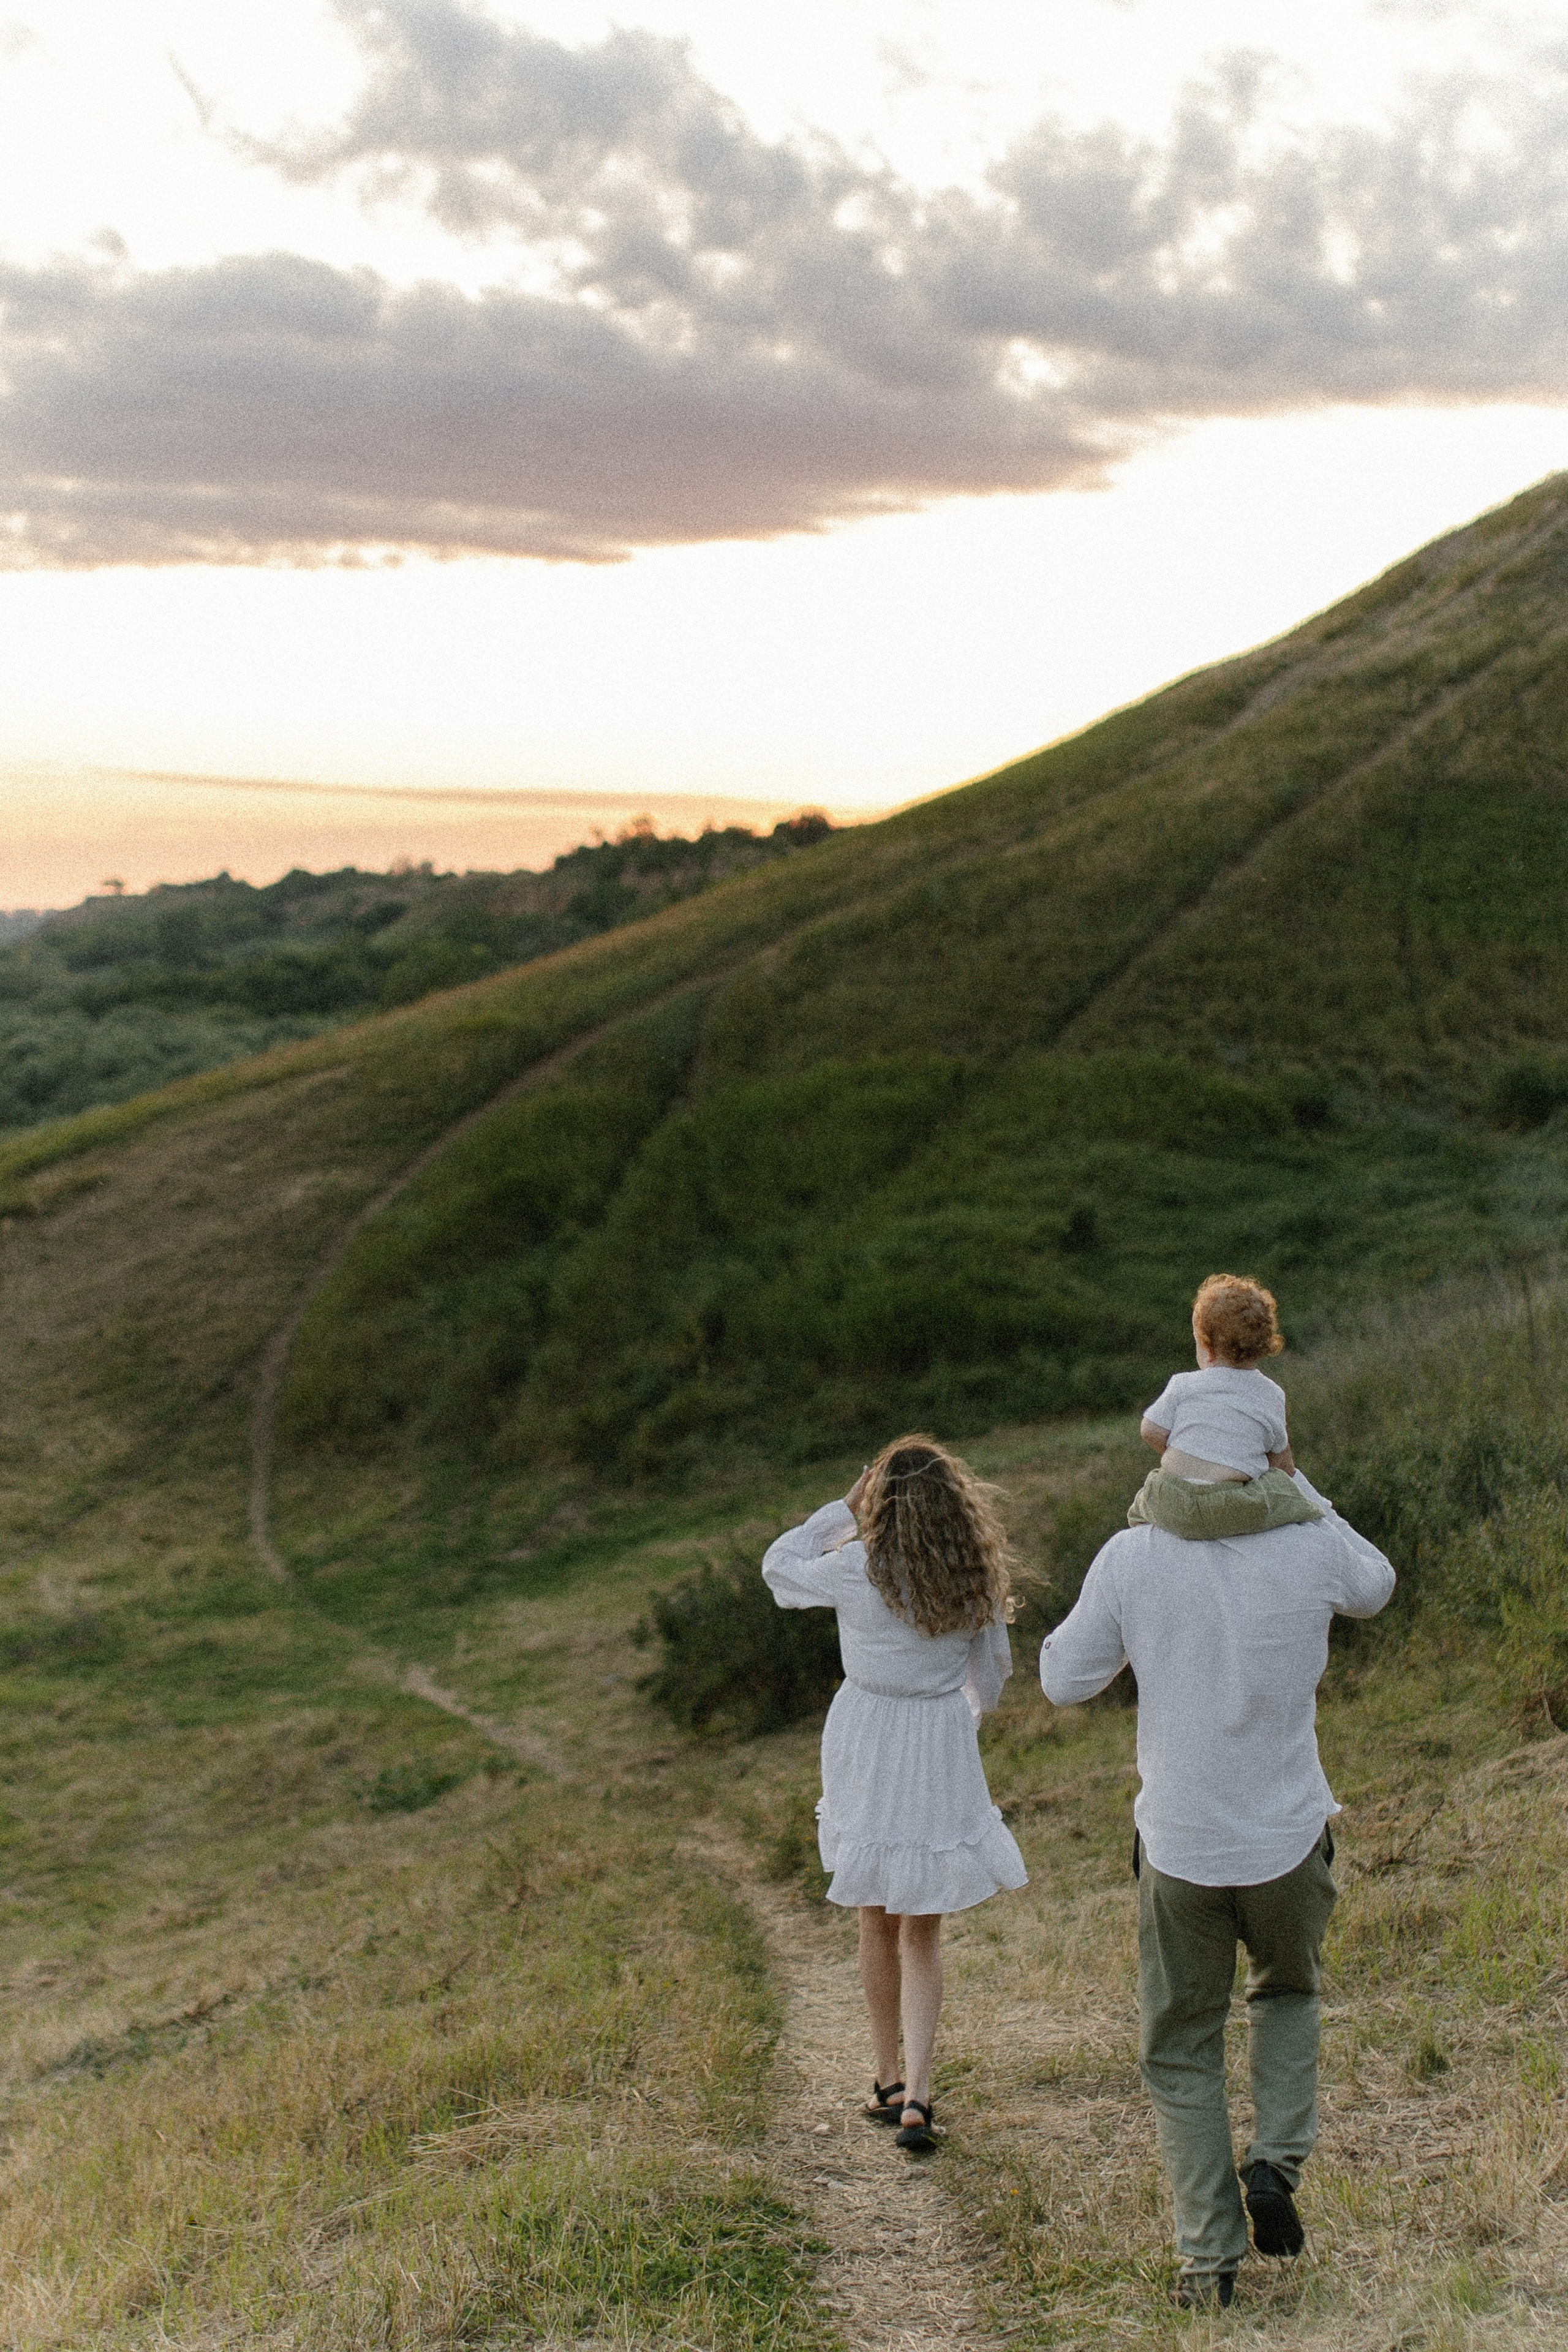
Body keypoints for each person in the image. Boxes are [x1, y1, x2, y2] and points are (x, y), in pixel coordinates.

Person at [1038, 1458, 1394, 2307]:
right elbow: (1376, 1584)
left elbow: (1062, 1679)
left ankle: (1209, 2266)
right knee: (1289, 1995)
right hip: (1286, 1838)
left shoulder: (1132, 1556)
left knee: (1181, 2047)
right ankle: (1275, 2160)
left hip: (1181, 1848)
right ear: (1265, 1460)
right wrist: (1309, 1487)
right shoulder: (1309, 1538)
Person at [762, 1434, 1027, 2152]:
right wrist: (953, 1711)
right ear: (955, 1507)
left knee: (873, 1915)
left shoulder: (854, 1568)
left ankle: (884, 2078)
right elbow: (992, 1679)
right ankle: (920, 2092)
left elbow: (779, 1570)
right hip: (936, 1741)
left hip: (866, 1737)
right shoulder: (971, 1579)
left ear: (878, 1504)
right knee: (922, 1928)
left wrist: (839, 1513)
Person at [1133, 1274, 1320, 1540]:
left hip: (1172, 1502)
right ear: (1263, 1347)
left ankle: (1139, 1526)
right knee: (1280, 1486)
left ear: (1206, 1348)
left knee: (1150, 1488)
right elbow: (1283, 1465)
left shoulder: (1183, 1384)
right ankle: (1315, 1518)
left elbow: (1149, 1431)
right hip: (1233, 1508)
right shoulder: (1272, 1394)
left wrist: (1182, 1452)